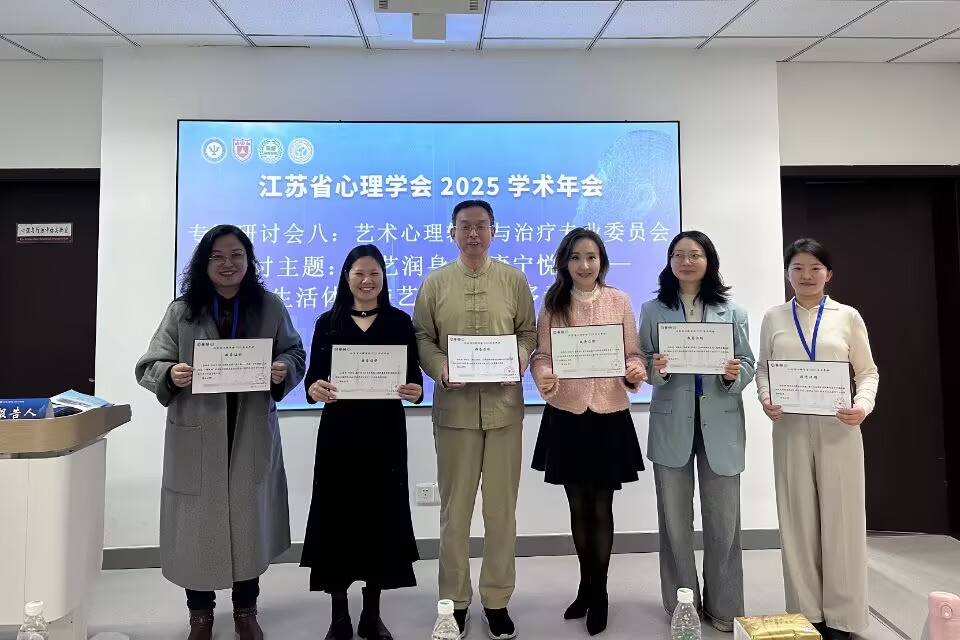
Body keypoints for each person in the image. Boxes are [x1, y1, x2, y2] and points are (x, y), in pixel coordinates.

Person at [135, 224, 306, 640]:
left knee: (248, 525)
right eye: (217, 256)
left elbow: (295, 351)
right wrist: (170, 373)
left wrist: (283, 369)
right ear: (204, 262)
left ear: (249, 260)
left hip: (249, 433)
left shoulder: (269, 306)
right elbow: (149, 364)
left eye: (236, 255)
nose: (228, 264)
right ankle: (201, 616)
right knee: (197, 529)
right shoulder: (183, 311)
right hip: (197, 434)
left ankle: (246, 610)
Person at [412, 199, 537, 640]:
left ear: (493, 231)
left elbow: (528, 332)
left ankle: (497, 601)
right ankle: (455, 602)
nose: (473, 234)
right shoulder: (435, 282)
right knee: (455, 513)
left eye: (481, 226)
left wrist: (519, 357)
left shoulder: (514, 279)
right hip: (455, 412)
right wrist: (440, 367)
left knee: (501, 512)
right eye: (464, 226)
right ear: (452, 233)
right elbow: (422, 337)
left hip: (504, 411)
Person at [755, 238, 879, 640]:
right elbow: (763, 369)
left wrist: (862, 405)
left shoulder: (847, 316)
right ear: (787, 274)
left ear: (829, 274)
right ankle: (807, 614)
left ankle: (843, 618)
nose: (806, 276)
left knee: (843, 523)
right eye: (797, 268)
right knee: (797, 524)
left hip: (839, 430)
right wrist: (766, 398)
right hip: (790, 429)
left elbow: (867, 372)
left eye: (814, 268)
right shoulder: (774, 317)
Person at [301, 245, 424, 640]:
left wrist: (416, 392)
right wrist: (313, 389)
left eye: (374, 273)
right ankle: (339, 614)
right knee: (337, 518)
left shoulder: (400, 322)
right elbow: (313, 378)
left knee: (380, 518)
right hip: (340, 434)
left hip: (385, 434)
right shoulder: (328, 322)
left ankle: (372, 614)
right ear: (346, 277)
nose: (367, 281)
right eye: (359, 274)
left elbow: (414, 380)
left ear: (384, 278)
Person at [530, 228, 647, 636]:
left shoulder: (619, 300)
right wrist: (544, 374)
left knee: (601, 507)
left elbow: (633, 355)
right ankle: (585, 586)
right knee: (578, 507)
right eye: (576, 257)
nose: (584, 265)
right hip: (567, 414)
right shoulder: (552, 303)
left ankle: (601, 594)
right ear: (565, 262)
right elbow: (541, 355)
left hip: (608, 414)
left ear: (602, 262)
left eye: (591, 257)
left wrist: (634, 371)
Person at [637, 230, 755, 632]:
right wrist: (658, 369)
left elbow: (748, 362)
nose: (686, 262)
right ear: (669, 262)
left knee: (725, 522)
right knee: (674, 522)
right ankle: (681, 604)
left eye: (695, 254)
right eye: (678, 255)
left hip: (721, 424)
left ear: (709, 261)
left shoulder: (732, 311)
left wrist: (733, 375)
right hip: (672, 422)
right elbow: (642, 361)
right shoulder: (653, 310)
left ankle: (725, 607)